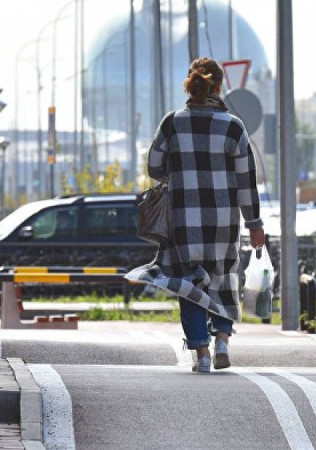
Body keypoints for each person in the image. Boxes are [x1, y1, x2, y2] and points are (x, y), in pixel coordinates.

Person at [126, 57, 265, 373]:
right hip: (223, 222)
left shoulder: (172, 123)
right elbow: (246, 180)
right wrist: (255, 223)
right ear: (219, 87)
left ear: (191, 85)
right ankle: (223, 343)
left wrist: (182, 168)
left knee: (188, 284)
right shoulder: (233, 126)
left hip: (183, 221)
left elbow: (154, 167)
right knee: (224, 280)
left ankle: (202, 354)